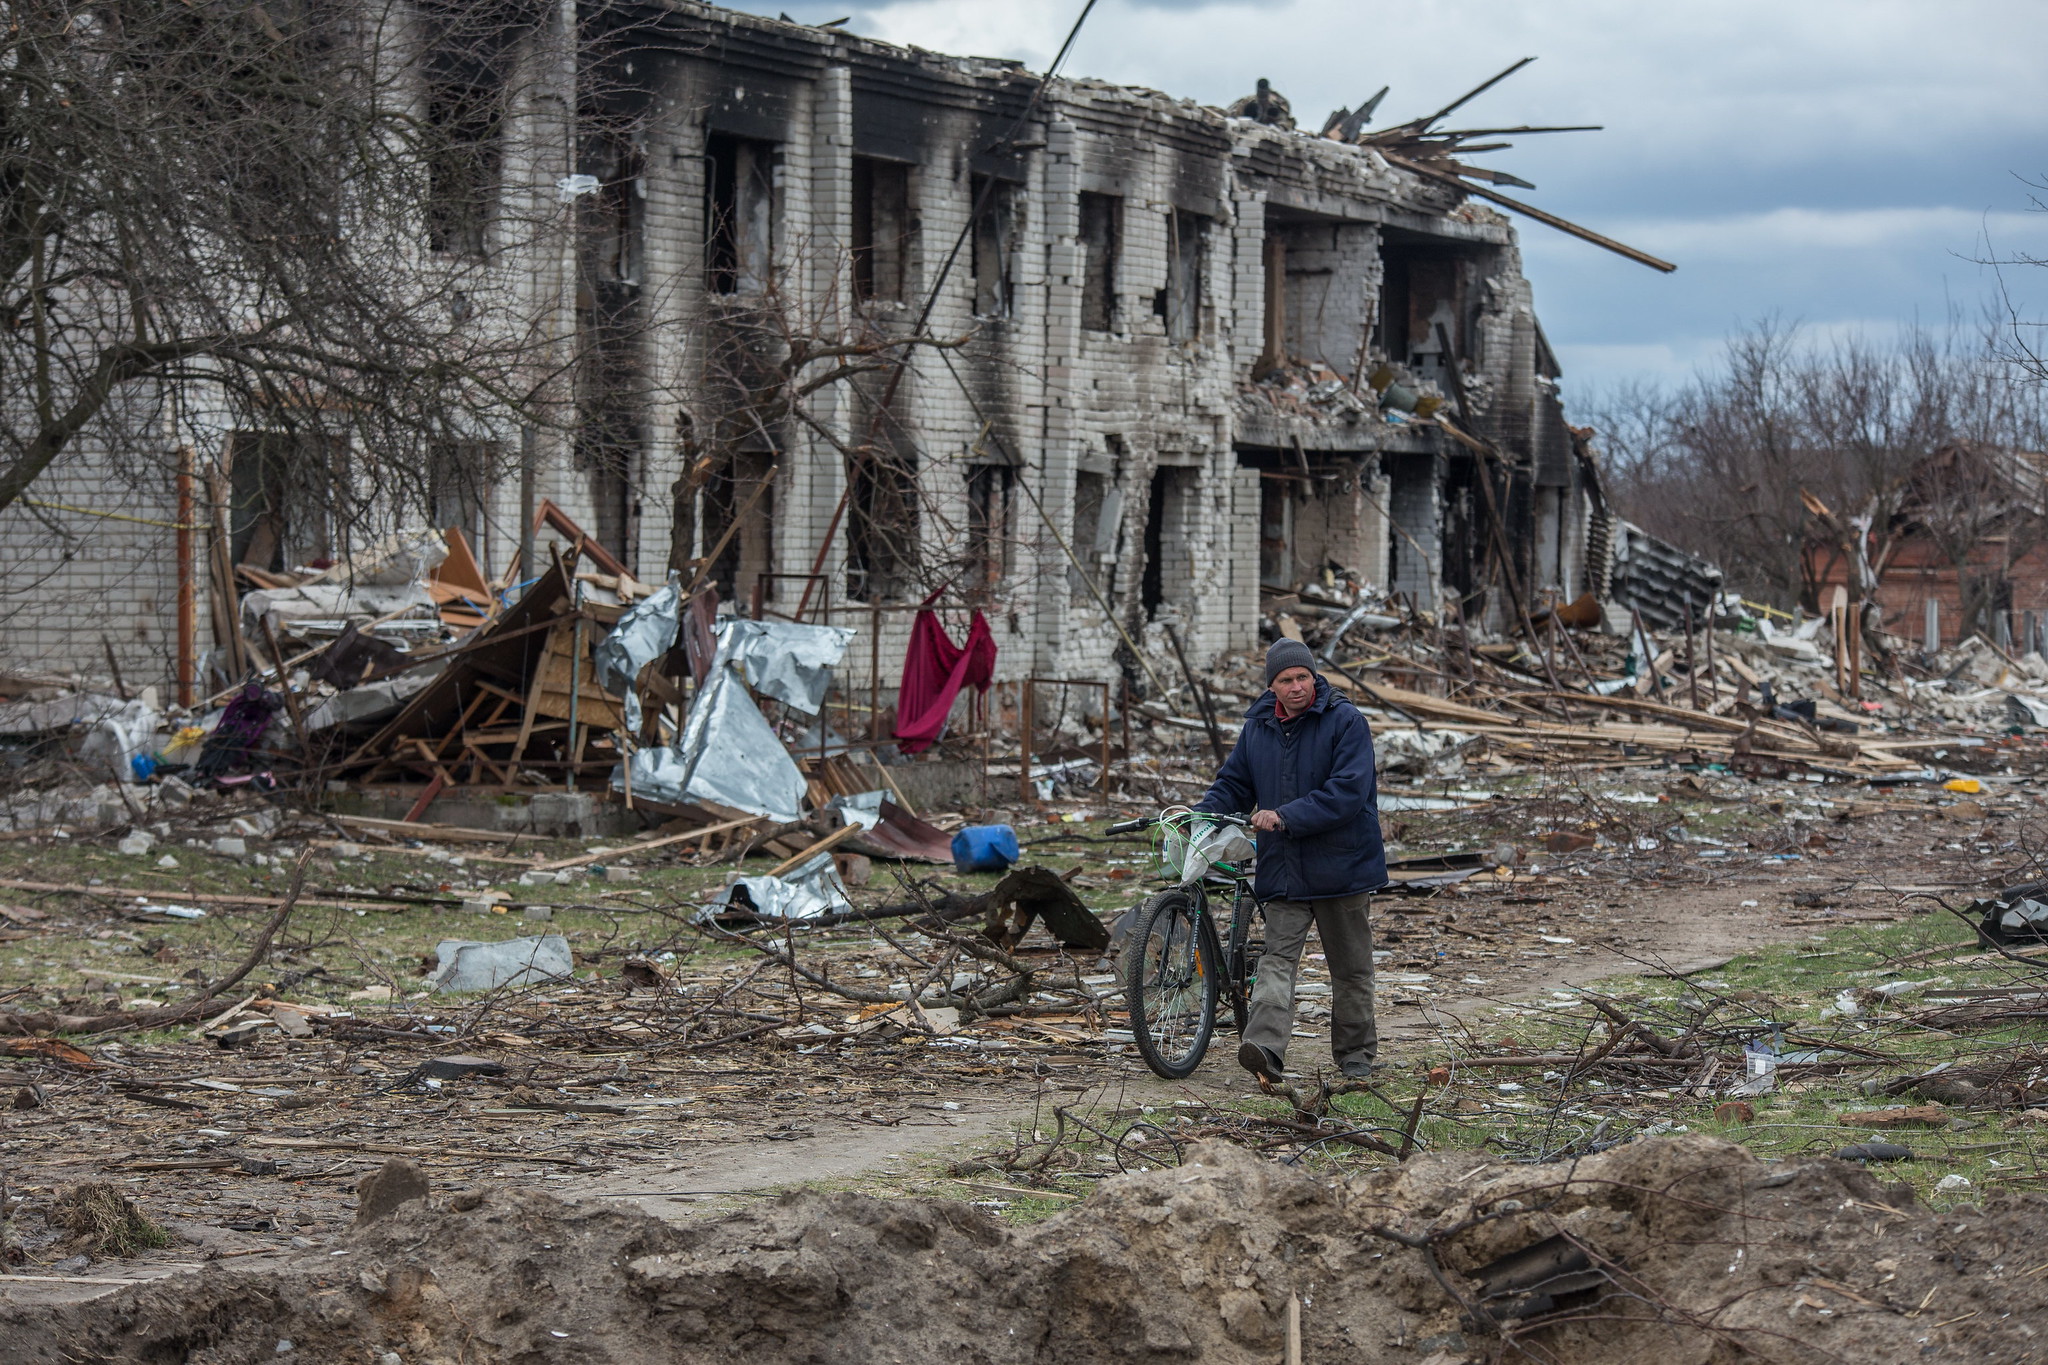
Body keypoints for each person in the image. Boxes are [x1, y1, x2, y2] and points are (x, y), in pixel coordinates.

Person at [1195, 638, 1386, 1081]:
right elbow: (1234, 783)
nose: (1296, 686)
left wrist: (1284, 816)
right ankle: (1264, 1051)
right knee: (1276, 961)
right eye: (1286, 680)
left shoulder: (1346, 721)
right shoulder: (1259, 727)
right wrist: (1200, 814)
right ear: (1272, 686)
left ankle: (1356, 1056)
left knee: (1351, 968)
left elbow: (1348, 793)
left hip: (1343, 867)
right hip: (1284, 868)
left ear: (1314, 677)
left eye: (1303, 677)